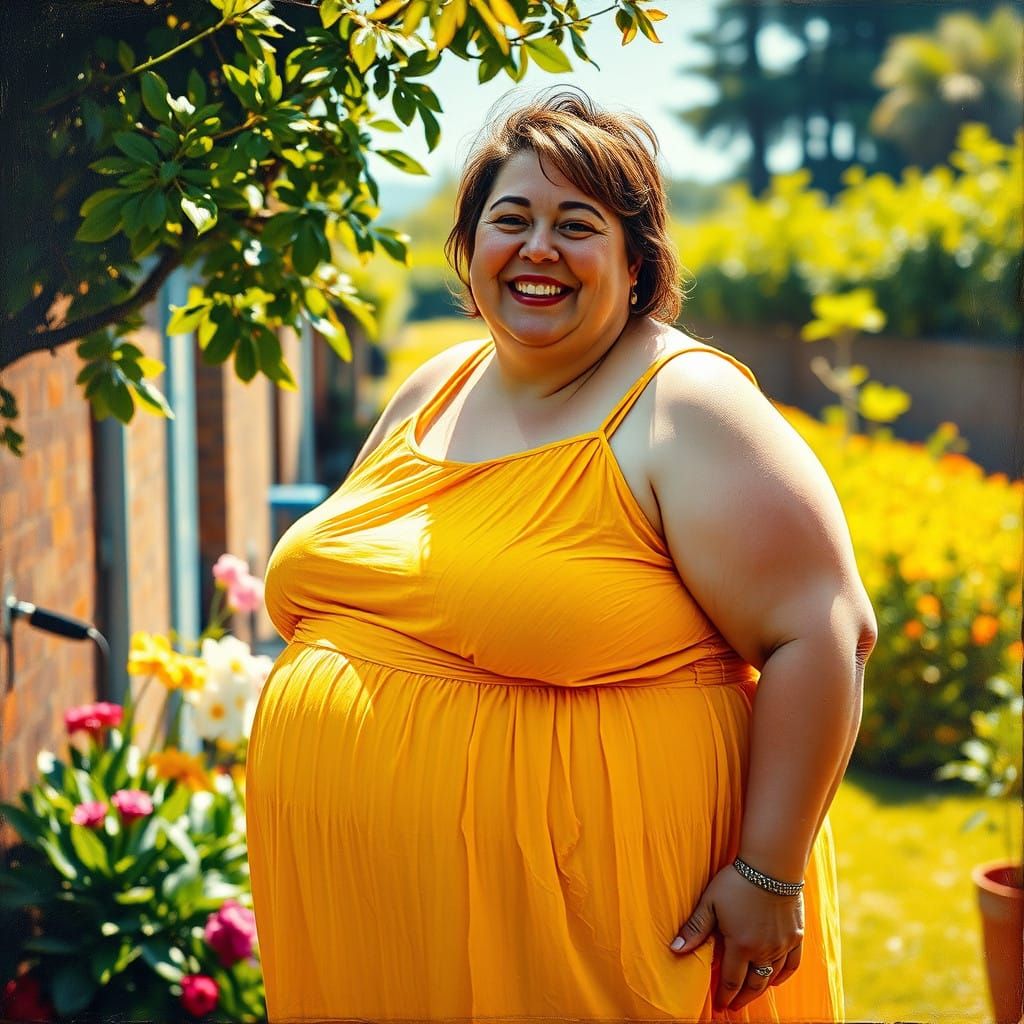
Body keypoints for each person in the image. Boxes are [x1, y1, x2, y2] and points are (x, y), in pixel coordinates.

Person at [246, 88, 876, 1022]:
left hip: (592, 931)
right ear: (470, 250)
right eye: (512, 219)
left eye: (577, 225)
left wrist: (768, 874)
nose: (538, 248)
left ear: (636, 264)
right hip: (376, 929)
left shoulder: (683, 406)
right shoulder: (436, 384)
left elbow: (823, 631)